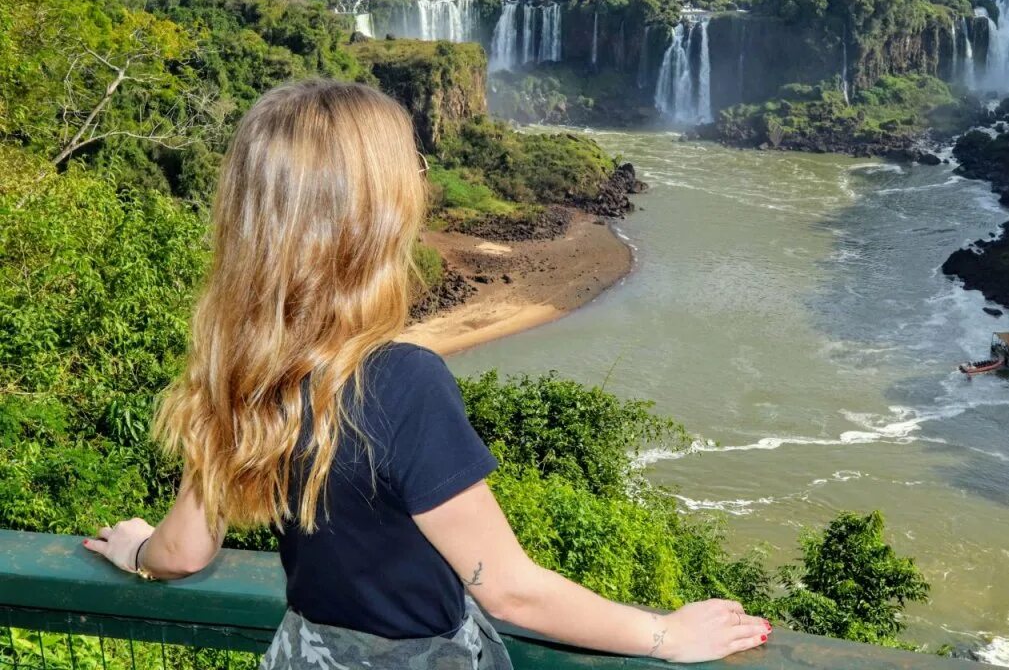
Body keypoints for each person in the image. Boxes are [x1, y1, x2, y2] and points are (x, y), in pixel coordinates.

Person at [83, 80, 771, 668]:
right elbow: (508, 590)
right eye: (408, 165)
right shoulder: (401, 382)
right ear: (375, 219)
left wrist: (136, 550)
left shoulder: (239, 368)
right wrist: (665, 634)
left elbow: (184, 551)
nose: (421, 175)